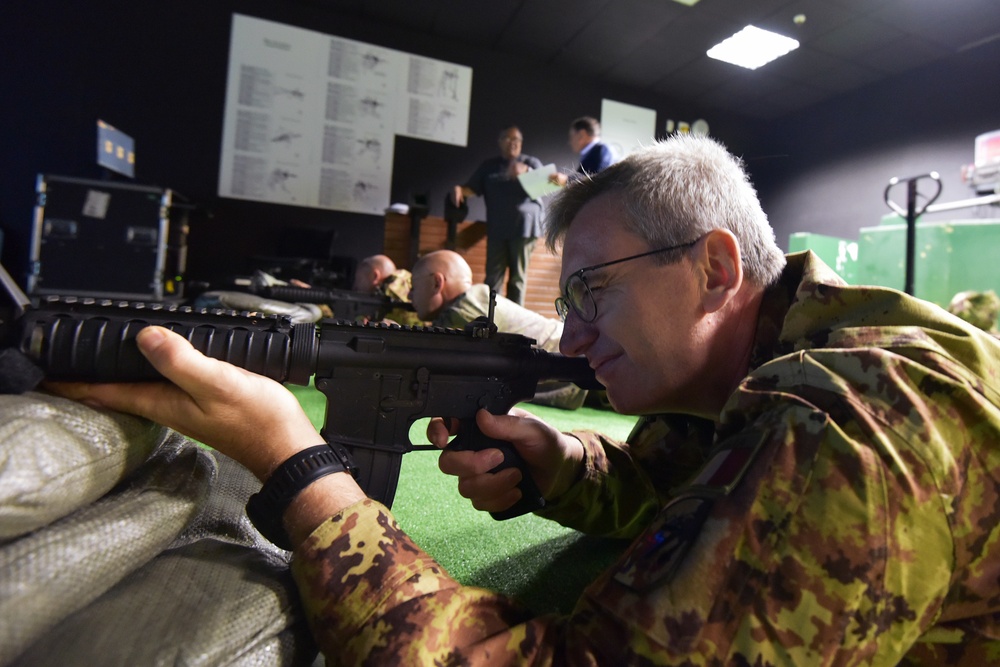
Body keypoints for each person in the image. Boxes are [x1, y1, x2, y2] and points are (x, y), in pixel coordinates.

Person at [49, 135, 1000, 664]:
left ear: (712, 266)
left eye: (593, 291)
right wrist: (564, 463)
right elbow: (685, 478)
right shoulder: (773, 365)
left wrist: (303, 472)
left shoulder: (850, 420)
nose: (573, 331)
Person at [409, 249, 587, 409]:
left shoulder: (468, 309)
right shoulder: (475, 301)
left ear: (436, 283)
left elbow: (432, 352)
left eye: (414, 287)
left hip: (582, 363)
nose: (410, 296)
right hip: (577, 366)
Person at [453, 126, 543, 306]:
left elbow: (547, 184)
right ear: (500, 142)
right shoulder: (489, 166)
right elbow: (472, 188)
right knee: (493, 277)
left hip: (524, 228)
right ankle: (491, 319)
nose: (513, 143)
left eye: (517, 139)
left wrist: (527, 173)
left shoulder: (531, 163)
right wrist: (459, 189)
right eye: (509, 139)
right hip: (497, 228)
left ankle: (513, 323)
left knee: (517, 278)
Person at [352, 254, 423, 325]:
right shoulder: (407, 280)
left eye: (359, 279)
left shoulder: (389, 292)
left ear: (375, 276)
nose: (355, 286)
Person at [548, 116, 615, 188]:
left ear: (581, 135)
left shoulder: (602, 151)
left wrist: (567, 180)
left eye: (571, 136)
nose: (570, 142)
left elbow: (597, 181)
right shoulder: (595, 152)